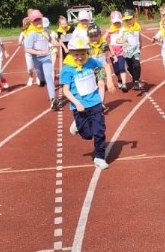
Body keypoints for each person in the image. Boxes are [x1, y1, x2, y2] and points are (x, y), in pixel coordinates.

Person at [60, 28, 113, 170]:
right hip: (79, 106)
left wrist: (109, 81)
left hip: (95, 102)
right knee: (88, 134)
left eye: (82, 54)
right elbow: (65, 90)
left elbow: (105, 65)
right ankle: (78, 125)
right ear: (70, 53)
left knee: (99, 131)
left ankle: (99, 157)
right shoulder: (67, 69)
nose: (80, 57)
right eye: (76, 54)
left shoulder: (90, 62)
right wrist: (77, 103)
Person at [24, 9, 58, 110]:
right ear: (32, 22)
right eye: (35, 20)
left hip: (47, 58)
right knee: (40, 76)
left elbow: (52, 40)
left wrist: (60, 44)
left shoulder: (45, 31)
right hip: (37, 59)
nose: (38, 22)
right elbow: (27, 49)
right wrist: (39, 52)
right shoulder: (32, 34)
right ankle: (41, 80)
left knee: (49, 76)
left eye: (39, 20)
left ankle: (53, 99)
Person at [121, 8, 143, 91]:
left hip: (136, 50)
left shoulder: (137, 27)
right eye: (126, 20)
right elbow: (119, 40)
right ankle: (134, 77)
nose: (128, 21)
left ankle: (136, 81)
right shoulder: (123, 29)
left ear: (134, 18)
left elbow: (139, 36)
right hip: (126, 51)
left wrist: (141, 44)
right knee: (130, 67)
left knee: (137, 65)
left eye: (130, 19)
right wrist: (122, 41)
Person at [107, 11, 128, 92]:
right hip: (112, 52)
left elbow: (126, 40)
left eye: (118, 22)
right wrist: (112, 53)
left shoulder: (123, 30)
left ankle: (124, 84)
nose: (117, 24)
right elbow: (108, 43)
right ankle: (119, 79)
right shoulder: (109, 31)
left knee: (122, 67)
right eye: (115, 22)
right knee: (116, 70)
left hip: (122, 51)